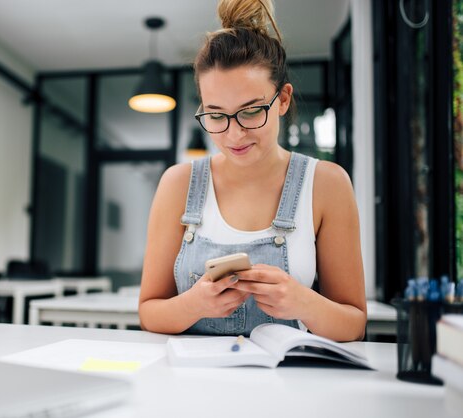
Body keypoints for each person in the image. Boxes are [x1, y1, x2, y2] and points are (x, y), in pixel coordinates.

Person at [138, 0, 366, 341]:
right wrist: (194, 304)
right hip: (192, 385)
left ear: (284, 99)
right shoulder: (177, 184)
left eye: (251, 111)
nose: (234, 134)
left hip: (289, 385)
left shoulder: (326, 184)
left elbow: (354, 324)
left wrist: (303, 302)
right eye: (216, 115)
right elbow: (149, 312)